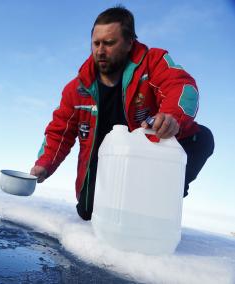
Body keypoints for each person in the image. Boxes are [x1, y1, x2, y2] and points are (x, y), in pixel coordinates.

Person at [30, 6, 214, 221]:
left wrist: (172, 116)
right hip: (104, 164)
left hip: (147, 158)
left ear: (129, 43)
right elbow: (59, 131)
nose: (100, 50)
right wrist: (44, 165)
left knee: (202, 138)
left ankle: (161, 199)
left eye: (109, 43)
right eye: (96, 43)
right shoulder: (76, 88)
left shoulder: (153, 62)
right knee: (88, 213)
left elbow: (182, 86)